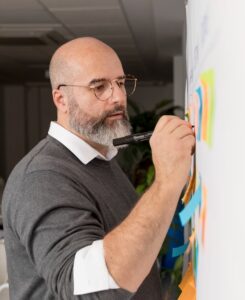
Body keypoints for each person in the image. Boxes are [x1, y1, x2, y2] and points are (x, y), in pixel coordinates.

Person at [2, 37, 195, 300]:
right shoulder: (41, 178)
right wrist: (167, 181)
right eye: (99, 87)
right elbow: (94, 293)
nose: (117, 97)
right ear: (61, 99)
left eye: (119, 82)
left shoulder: (101, 160)